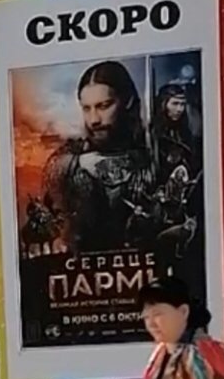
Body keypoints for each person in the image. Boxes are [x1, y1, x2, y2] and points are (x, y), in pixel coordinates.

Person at [44, 60, 153, 252]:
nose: (94, 120)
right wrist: (77, 163)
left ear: (127, 101)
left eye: (104, 106)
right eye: (87, 108)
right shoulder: (71, 155)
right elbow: (51, 183)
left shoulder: (152, 152)